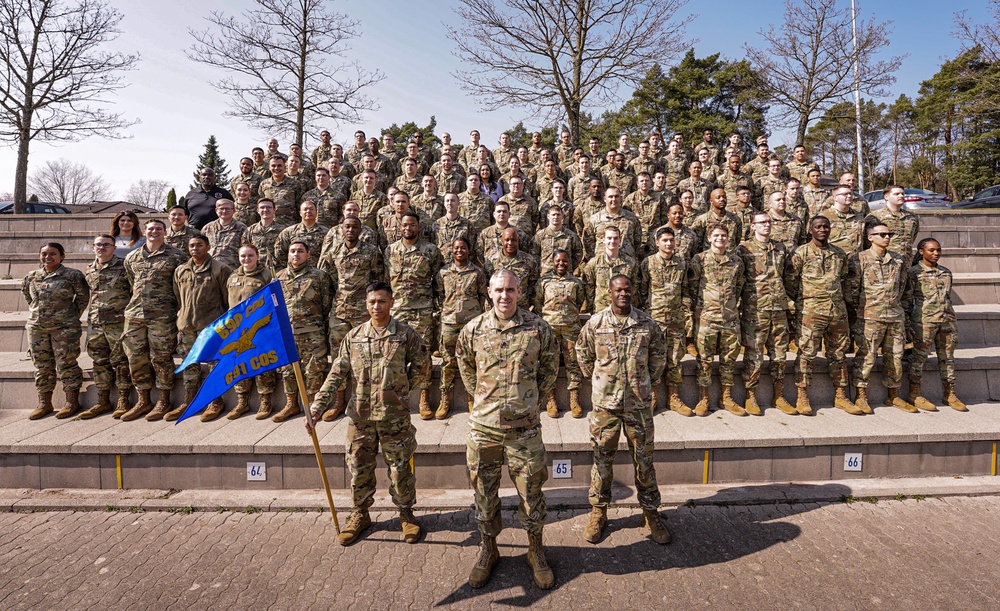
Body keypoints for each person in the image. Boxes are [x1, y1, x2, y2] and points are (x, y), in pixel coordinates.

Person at [456, 270, 558, 590]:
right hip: (484, 428)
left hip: (524, 430)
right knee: (484, 497)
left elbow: (550, 369)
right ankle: (489, 549)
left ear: (519, 291)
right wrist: (485, 402)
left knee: (531, 495)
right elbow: (466, 369)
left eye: (510, 290)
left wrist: (528, 400)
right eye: (499, 290)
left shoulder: (538, 328)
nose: (504, 296)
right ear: (488, 291)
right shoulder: (473, 330)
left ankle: (535, 550)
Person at [308, 282, 428, 546]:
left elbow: (421, 366)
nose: (377, 306)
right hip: (360, 417)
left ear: (391, 303)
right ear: (366, 304)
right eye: (372, 301)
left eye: (382, 301)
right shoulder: (354, 337)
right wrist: (317, 407)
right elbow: (338, 373)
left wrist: (400, 390)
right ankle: (361, 515)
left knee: (400, 470)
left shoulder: (405, 334)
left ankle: (406, 515)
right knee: (359, 469)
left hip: (394, 417)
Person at [576, 274, 670, 544]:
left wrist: (644, 383)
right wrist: (600, 382)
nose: (623, 294)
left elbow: (658, 356)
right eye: (618, 290)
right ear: (610, 292)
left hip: (638, 406)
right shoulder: (596, 323)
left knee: (644, 464)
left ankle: (650, 513)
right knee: (602, 462)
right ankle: (598, 512)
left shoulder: (646, 324)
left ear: (633, 292)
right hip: (606, 406)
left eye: (628, 290)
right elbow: (583, 354)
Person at [120, 220, 189, 421]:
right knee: (135, 357)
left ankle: (163, 399)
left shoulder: (177, 256)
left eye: (159, 229)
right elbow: (132, 282)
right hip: (135, 315)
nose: (154, 232)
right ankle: (143, 400)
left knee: (161, 358)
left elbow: (180, 285)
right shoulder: (132, 257)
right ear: (144, 232)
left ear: (165, 232)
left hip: (162, 315)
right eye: (151, 229)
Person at [788, 216, 857, 415]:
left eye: (826, 226)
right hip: (811, 311)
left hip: (837, 311)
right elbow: (791, 282)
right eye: (818, 227)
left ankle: (841, 395)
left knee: (838, 354)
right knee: (807, 354)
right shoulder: (800, 253)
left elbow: (843, 278)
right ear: (810, 230)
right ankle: (802, 395)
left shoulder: (838, 254)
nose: (823, 230)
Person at [846, 224, 915, 414]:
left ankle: (893, 395)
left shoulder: (898, 260)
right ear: (870, 237)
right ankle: (861, 395)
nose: (887, 237)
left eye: (889, 234)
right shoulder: (858, 259)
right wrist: (862, 308)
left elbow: (903, 288)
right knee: (866, 356)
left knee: (895, 356)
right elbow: (851, 291)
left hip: (894, 315)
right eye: (882, 234)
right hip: (869, 316)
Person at [164, 234, 233, 422]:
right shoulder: (180, 270)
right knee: (189, 365)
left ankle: (215, 402)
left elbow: (227, 299)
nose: (195, 248)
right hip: (187, 326)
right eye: (192, 245)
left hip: (211, 327)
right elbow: (179, 297)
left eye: (199, 245)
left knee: (213, 367)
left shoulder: (220, 269)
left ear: (208, 246)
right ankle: (189, 401)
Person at [384, 210, 443, 419]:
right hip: (398, 310)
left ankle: (424, 398)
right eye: (405, 224)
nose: (408, 228)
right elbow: (385, 281)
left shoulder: (430, 251)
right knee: (395, 355)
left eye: (412, 225)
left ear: (419, 227)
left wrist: (437, 310)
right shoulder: (390, 251)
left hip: (422, 311)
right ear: (400, 227)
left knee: (423, 355)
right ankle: (399, 397)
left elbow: (438, 282)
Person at [738, 212, 797, 416]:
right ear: (752, 225)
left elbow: (788, 277)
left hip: (778, 308)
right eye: (762, 222)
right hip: (755, 310)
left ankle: (778, 395)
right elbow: (739, 279)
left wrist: (788, 301)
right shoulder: (744, 249)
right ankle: (750, 395)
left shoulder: (780, 248)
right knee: (754, 354)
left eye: (769, 222)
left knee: (779, 355)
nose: (767, 225)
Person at [23, 242, 90, 420]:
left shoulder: (72, 275)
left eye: (52, 254)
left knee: (66, 364)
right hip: (37, 327)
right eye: (44, 254)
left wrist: (70, 316)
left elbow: (83, 298)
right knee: (42, 367)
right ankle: (44, 403)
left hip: (64, 328)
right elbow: (28, 297)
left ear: (62, 256)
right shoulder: (32, 276)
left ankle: (71, 402)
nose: (48, 257)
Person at [904, 238, 967, 411]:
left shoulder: (946, 272)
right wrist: (908, 326)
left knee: (947, 358)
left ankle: (949, 394)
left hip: (946, 321)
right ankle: (914, 394)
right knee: (919, 358)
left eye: (938, 250)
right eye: (931, 250)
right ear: (921, 251)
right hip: (923, 323)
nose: (936, 253)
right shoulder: (913, 273)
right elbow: (907, 301)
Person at [689, 223, 746, 416]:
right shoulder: (700, 260)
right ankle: (704, 398)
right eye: (716, 235)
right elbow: (693, 286)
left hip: (730, 317)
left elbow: (738, 287)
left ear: (728, 238)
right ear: (709, 238)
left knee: (728, 359)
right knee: (704, 359)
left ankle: (726, 397)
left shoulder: (736, 261)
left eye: (723, 235)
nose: (720, 238)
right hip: (706, 318)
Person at [274, 241, 334, 422]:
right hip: (287, 332)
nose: (296, 254)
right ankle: (291, 404)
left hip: (312, 331)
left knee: (314, 369)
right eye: (292, 251)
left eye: (300, 251)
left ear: (308, 255)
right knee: (288, 370)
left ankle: (315, 406)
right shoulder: (278, 278)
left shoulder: (319, 276)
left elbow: (326, 303)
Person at [78, 235, 134, 420]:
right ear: (93, 247)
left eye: (106, 245)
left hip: (118, 322)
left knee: (120, 361)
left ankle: (123, 400)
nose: (102, 248)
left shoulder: (125, 266)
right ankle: (103, 401)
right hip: (96, 322)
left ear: (114, 247)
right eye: (98, 245)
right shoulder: (89, 269)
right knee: (99, 361)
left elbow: (134, 290)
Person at [638, 226, 692, 415]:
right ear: (656, 243)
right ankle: (652, 395)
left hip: (676, 319)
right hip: (654, 320)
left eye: (671, 240)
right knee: (653, 359)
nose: (668, 244)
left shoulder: (682, 264)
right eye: (665, 240)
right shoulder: (648, 263)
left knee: (675, 359)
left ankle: (674, 397)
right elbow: (642, 290)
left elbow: (685, 291)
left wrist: (687, 316)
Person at [435, 237, 488, 419]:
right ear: (452, 250)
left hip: (471, 324)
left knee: (472, 361)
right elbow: (439, 295)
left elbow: (483, 296)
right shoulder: (443, 273)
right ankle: (445, 398)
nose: (459, 251)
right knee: (448, 362)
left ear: (468, 250)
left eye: (463, 248)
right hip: (449, 322)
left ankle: (472, 397)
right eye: (456, 248)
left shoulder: (477, 273)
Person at [223, 244, 278, 420]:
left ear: (257, 257)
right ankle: (242, 401)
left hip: (259, 328)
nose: (246, 259)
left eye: (250, 256)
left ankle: (265, 400)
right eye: (243, 256)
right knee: (240, 363)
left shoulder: (267, 276)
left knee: (261, 363)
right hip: (237, 329)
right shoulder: (233, 277)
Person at [534, 249, 587, 418]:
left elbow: (579, 302)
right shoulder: (544, 281)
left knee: (573, 363)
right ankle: (551, 400)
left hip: (571, 328)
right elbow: (537, 303)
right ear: (552, 262)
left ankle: (574, 399)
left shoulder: (576, 282)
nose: (561, 264)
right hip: (550, 328)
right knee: (550, 363)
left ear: (569, 262)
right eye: (558, 261)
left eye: (564, 261)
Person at [581, 225, 639, 314]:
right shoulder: (593, 263)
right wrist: (592, 309)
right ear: (603, 239)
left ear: (620, 240)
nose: (612, 241)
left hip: (623, 311)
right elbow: (589, 290)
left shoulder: (630, 263)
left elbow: (634, 287)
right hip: (601, 311)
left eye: (615, 238)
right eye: (609, 238)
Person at [865, 185, 920, 260]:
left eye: (902, 194)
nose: (901, 196)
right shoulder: (875, 216)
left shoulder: (912, 217)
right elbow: (867, 240)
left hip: (906, 261)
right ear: (886, 197)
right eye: (896, 194)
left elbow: (912, 237)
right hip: (885, 261)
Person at [274, 200, 329, 268]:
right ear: (300, 213)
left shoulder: (326, 232)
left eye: (311, 209)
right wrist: (291, 267)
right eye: (305, 209)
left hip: (317, 274)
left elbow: (328, 254)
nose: (308, 211)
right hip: (295, 274)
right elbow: (279, 253)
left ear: (316, 213)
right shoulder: (289, 232)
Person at [532, 205, 584, 276]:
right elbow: (534, 254)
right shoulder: (540, 235)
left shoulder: (570, 235)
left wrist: (569, 267)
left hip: (565, 274)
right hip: (546, 275)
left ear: (562, 216)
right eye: (553, 215)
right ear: (548, 216)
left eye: (558, 215)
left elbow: (578, 253)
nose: (556, 217)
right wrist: (541, 268)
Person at [201, 199, 248, 269]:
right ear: (216, 210)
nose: (224, 211)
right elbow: (201, 248)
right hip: (210, 268)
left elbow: (246, 250)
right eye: (221, 209)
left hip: (232, 269)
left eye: (228, 209)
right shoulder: (207, 228)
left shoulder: (241, 228)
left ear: (234, 211)